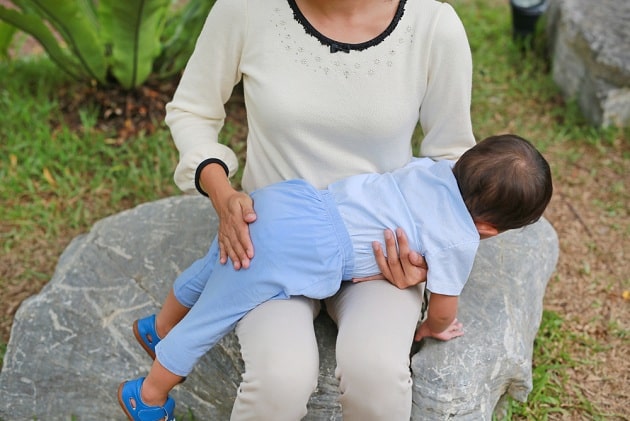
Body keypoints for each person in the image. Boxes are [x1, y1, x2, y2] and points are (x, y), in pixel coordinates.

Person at [124, 0, 482, 419]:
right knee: (280, 379)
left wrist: (423, 263)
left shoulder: (433, 25)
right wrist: (221, 193)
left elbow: (451, 159)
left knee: (378, 375)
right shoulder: (245, 9)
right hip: (272, 242)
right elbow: (192, 110)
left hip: (381, 256)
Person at [117, 134, 553, 420]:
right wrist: (430, 328)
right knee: (212, 316)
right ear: (488, 229)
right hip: (307, 252)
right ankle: (148, 395)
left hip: (289, 201)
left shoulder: (430, 170)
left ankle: (158, 328)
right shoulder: (460, 238)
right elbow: (442, 309)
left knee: (211, 269)